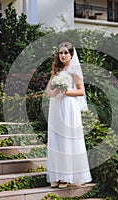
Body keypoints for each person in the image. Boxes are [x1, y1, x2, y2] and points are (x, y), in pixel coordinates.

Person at [45, 42, 92, 188]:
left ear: (71, 54)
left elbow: (81, 91)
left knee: (67, 139)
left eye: (66, 53)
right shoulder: (56, 70)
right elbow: (47, 90)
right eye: (61, 53)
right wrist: (55, 92)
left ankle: (67, 177)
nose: (63, 55)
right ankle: (57, 176)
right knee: (56, 139)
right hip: (56, 106)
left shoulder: (75, 70)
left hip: (69, 106)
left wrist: (65, 91)